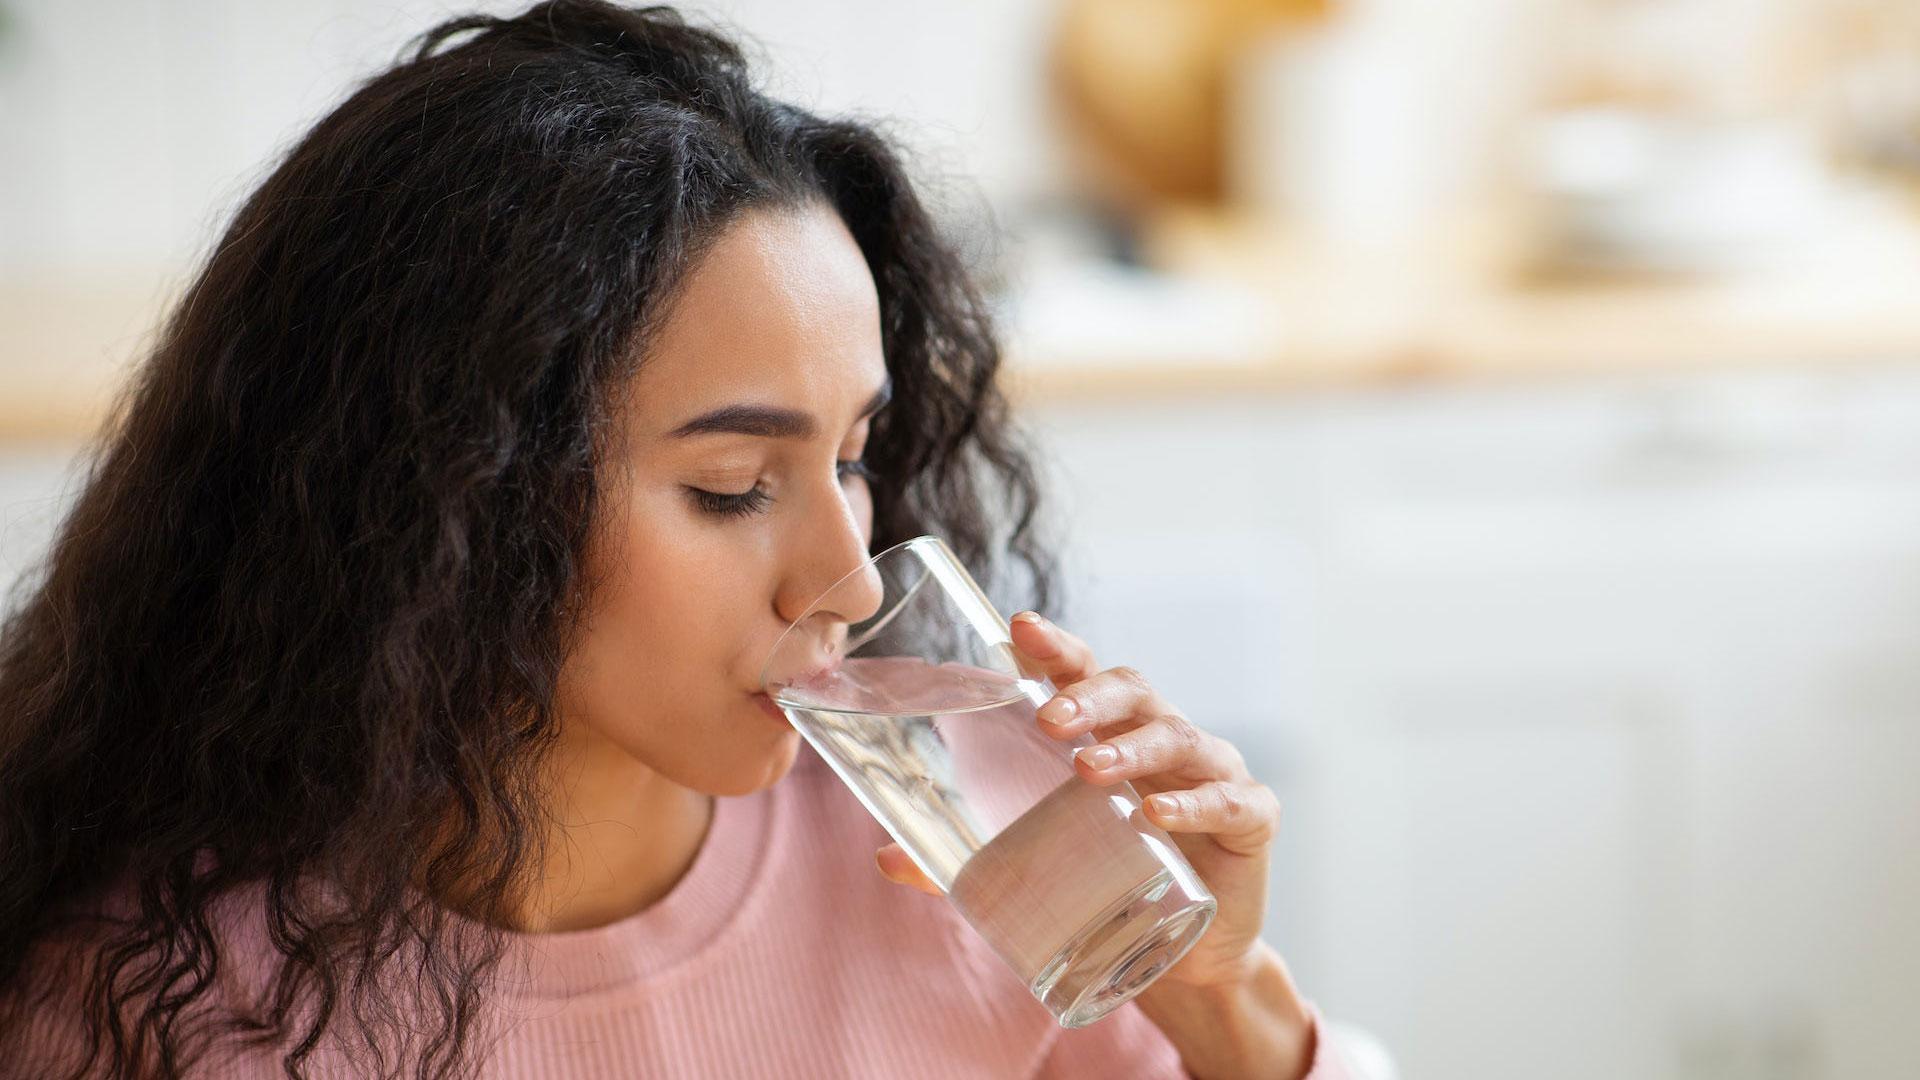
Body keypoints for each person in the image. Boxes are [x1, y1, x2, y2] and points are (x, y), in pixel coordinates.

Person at [0, 2, 1356, 1077]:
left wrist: (1225, 1011)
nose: (841, 573)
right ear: (446, 498)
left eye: (851, 457)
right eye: (728, 485)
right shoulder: (158, 1004)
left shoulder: (987, 874)